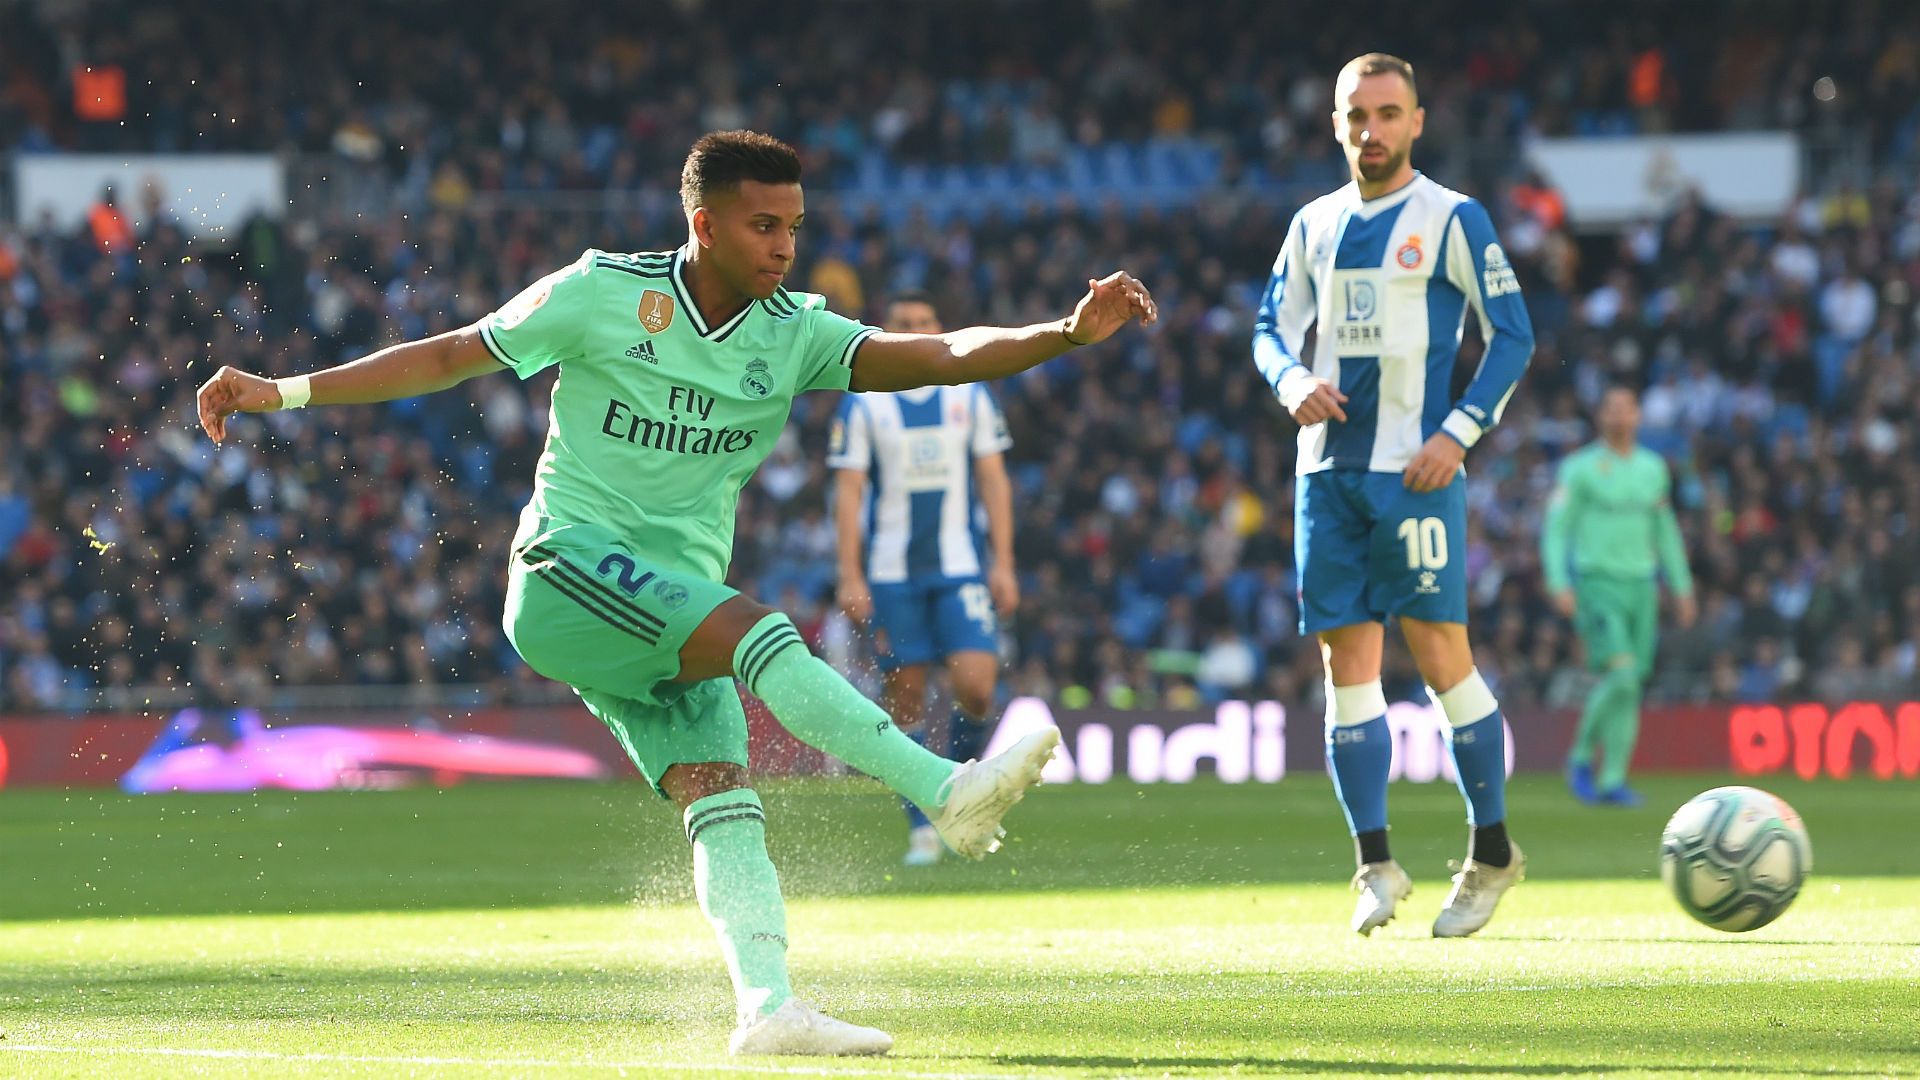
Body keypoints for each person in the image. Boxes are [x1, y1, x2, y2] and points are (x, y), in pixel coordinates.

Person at [195, 130, 1157, 1057]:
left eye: (794, 226)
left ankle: (769, 1008)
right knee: (757, 629)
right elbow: (453, 353)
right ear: (704, 226)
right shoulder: (600, 292)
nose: (784, 246)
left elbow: (942, 356)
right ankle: (944, 789)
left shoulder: (794, 335)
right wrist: (282, 392)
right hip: (565, 572)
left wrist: (1065, 333)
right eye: (763, 226)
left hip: (666, 604)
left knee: (721, 795)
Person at [1251, 54, 1535, 937]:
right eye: (1355, 115)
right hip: (1327, 473)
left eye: (1387, 113)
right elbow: (1267, 329)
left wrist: (1459, 433)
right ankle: (1375, 864)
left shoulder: (1453, 217)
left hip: (1415, 472)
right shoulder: (1312, 224)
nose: (1370, 130)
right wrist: (1292, 379)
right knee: (1348, 670)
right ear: (1336, 124)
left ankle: (1493, 854)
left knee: (1444, 657)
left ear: (1417, 121)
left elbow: (1513, 335)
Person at [829, 292, 1018, 867]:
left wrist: (1004, 562)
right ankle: (922, 823)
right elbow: (849, 492)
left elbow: (993, 479)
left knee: (978, 688)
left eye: (926, 322)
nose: (916, 330)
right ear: (889, 330)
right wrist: (850, 573)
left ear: (941, 327)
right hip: (892, 575)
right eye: (905, 324)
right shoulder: (863, 404)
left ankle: (964, 788)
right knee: (905, 697)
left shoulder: (969, 392)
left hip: (959, 566)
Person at [1542, 385, 1695, 807]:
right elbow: (1557, 529)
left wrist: (1680, 586)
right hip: (1597, 583)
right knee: (1623, 675)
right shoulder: (1580, 469)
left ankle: (1612, 780)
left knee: (1629, 685)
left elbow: (1665, 532)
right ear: (1600, 417)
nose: (1620, 416)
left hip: (1642, 586)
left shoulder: (1652, 469)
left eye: (1627, 408)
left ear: (1638, 417)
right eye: (1611, 408)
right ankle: (1579, 758)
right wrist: (1559, 581)